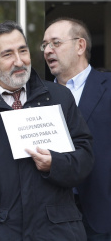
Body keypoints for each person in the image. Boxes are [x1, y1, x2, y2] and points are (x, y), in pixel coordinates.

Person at [0, 20, 94, 241]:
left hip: (57, 232)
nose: (19, 61)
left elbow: (85, 157)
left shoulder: (59, 97)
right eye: (7, 54)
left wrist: (55, 164)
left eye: (23, 51)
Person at [42, 17, 111, 241]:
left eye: (55, 43)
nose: (48, 51)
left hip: (101, 214)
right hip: (51, 217)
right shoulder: (37, 97)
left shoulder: (108, 87)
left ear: (80, 46)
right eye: (45, 45)